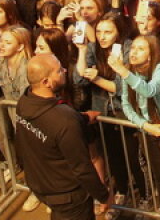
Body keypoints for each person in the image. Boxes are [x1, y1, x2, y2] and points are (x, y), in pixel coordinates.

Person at [14, 53, 110, 220]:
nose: (65, 71)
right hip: (68, 197)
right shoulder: (65, 120)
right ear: (46, 82)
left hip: (42, 185)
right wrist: (104, 196)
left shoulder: (25, 101)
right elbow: (82, 168)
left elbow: (50, 126)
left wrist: (82, 118)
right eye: (59, 71)